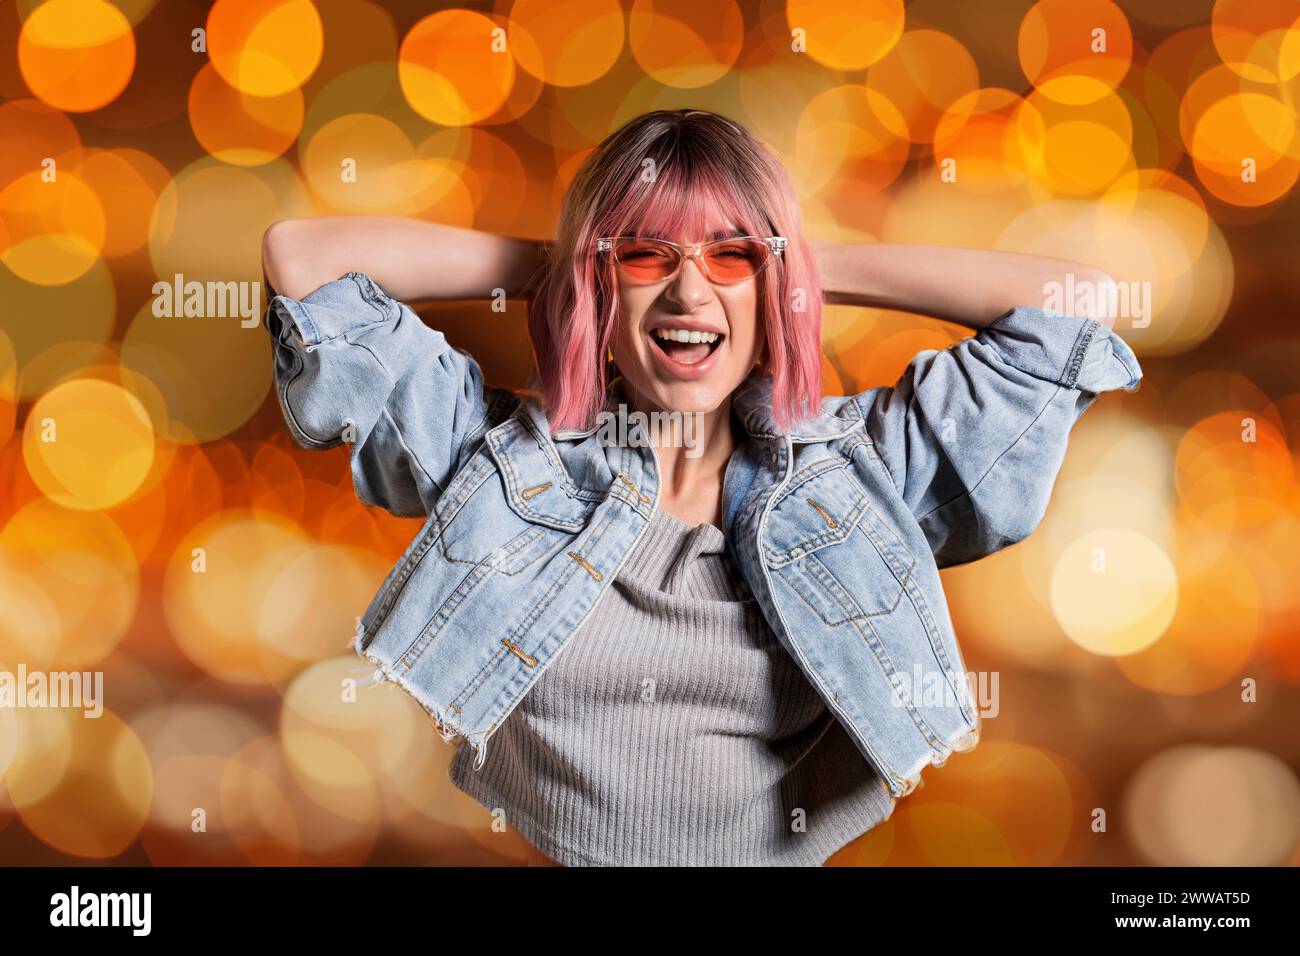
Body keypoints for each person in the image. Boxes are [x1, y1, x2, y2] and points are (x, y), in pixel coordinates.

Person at [261, 108, 1142, 867]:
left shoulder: (856, 473)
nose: (688, 290)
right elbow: (304, 258)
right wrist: (575, 263)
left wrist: (792, 261)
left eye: (729, 257)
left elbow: (1073, 304)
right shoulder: (506, 466)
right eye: (647, 255)